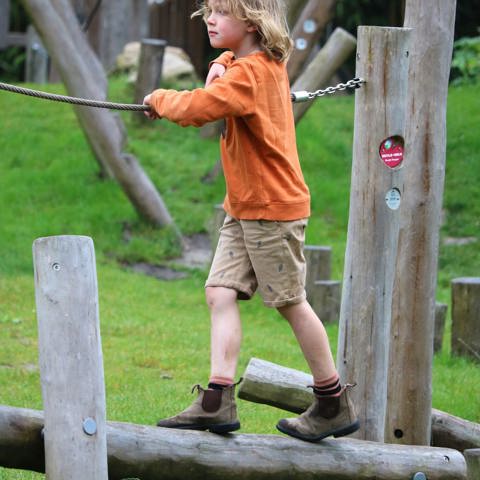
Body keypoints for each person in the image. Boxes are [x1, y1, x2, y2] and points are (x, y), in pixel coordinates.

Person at [143, 0, 359, 442]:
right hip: (243, 207)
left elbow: (199, 108)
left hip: (272, 209)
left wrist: (159, 100)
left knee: (290, 302)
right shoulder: (256, 63)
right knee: (219, 291)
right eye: (208, 13)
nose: (210, 20)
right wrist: (222, 60)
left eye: (222, 13)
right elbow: (224, 78)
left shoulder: (248, 76)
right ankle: (217, 400)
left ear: (252, 21)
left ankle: (332, 400)